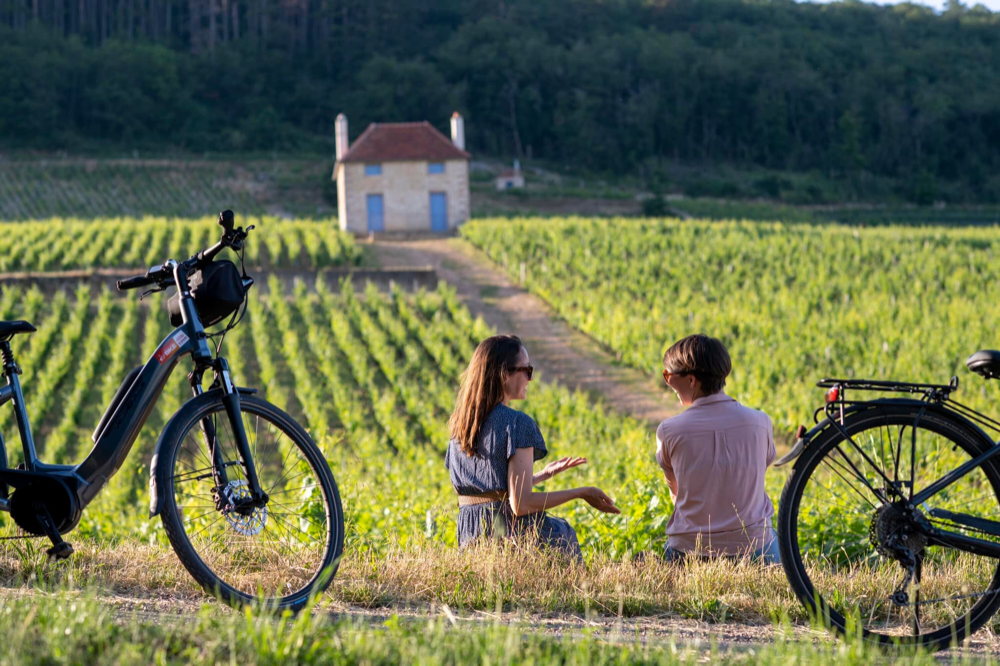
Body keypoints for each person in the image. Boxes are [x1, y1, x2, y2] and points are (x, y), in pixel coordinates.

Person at [445, 334, 620, 560]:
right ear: (504, 374)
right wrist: (581, 492)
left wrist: (540, 476)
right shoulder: (517, 424)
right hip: (509, 538)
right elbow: (521, 505)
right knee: (563, 532)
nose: (531, 378)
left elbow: (485, 493)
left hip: (471, 539)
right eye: (526, 370)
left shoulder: (459, 428)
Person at [655, 333, 780, 564]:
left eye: (669, 376)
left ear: (691, 380)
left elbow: (676, 493)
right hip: (757, 549)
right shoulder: (761, 422)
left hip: (690, 551)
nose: (668, 382)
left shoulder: (669, 430)